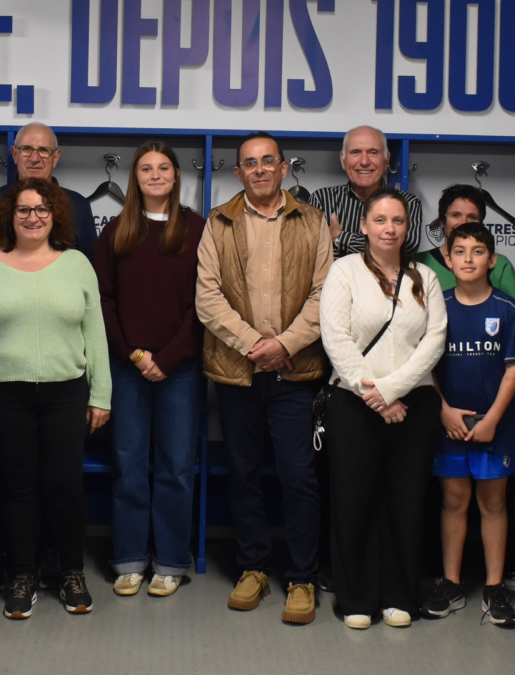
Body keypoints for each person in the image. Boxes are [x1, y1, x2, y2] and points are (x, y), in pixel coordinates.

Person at [0, 178, 111, 620]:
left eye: (42, 209)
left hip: (66, 392)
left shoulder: (76, 264)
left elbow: (96, 335)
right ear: (8, 216)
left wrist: (102, 395)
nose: (33, 217)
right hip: (2, 393)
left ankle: (71, 573)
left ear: (56, 215)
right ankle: (22, 575)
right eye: (24, 210)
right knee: (17, 490)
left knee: (66, 487)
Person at [196, 131, 332, 625]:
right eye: (249, 163)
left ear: (282, 168)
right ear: (238, 172)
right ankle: (252, 567)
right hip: (238, 373)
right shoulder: (218, 223)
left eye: (267, 161)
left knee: (299, 478)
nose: (258, 169)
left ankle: (301, 577)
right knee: (244, 475)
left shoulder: (312, 221)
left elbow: (324, 295)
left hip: (296, 373)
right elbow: (207, 298)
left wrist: (285, 345)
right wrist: (256, 346)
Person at [319, 187, 446, 629]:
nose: (389, 228)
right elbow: (335, 337)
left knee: (406, 502)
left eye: (397, 221)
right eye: (380, 220)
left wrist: (391, 390)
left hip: (414, 406)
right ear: (364, 226)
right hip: (353, 405)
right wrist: (372, 394)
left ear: (407, 228)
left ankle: (399, 596)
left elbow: (434, 341)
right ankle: (356, 599)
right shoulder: (344, 270)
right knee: (354, 501)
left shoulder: (424, 277)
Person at [93, 141, 205, 598]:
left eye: (163, 168)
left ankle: (171, 561)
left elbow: (207, 303)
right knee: (128, 464)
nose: (155, 175)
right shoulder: (116, 230)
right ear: (134, 178)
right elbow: (102, 301)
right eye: (145, 168)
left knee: (177, 467)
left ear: (177, 176)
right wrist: (135, 355)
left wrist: (170, 357)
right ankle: (129, 559)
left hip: (179, 368)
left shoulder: (199, 230)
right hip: (128, 367)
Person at [419, 183, 515, 595]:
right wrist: (443, 409)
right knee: (452, 501)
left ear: (492, 259)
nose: (468, 259)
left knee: (494, 504)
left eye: (478, 251)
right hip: (449, 425)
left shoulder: (506, 309)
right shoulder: (436, 307)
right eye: (459, 252)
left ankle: (495, 586)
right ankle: (450, 582)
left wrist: (493, 420)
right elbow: (424, 366)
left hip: (493, 427)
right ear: (446, 258)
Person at [0, 121, 97, 259]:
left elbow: (91, 266)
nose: (34, 158)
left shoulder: (78, 206)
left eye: (44, 150)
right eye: (26, 149)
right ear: (14, 155)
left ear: (55, 158)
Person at [309, 125, 424, 259]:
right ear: (343, 160)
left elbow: (405, 247)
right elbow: (314, 252)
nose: (364, 161)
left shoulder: (408, 203)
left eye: (373, 152)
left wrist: (340, 238)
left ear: (387, 159)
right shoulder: (321, 199)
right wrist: (383, 244)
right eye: (355, 152)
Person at [419, 184, 515, 304]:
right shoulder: (419, 263)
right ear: (442, 221)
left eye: (472, 217)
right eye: (456, 215)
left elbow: (514, 313)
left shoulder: (500, 265)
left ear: (481, 223)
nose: (463, 223)